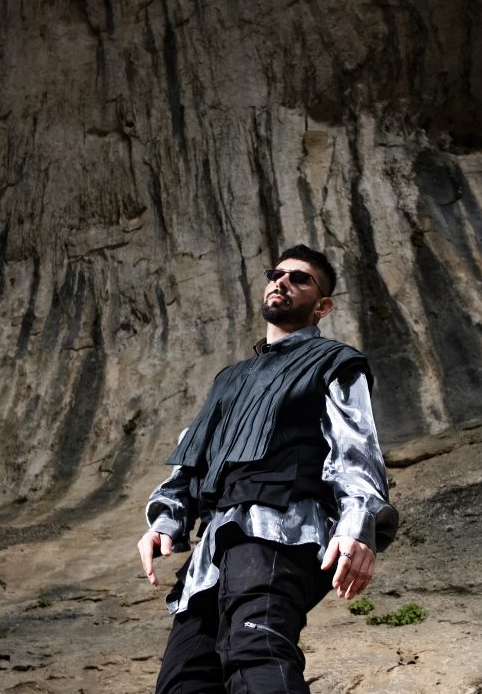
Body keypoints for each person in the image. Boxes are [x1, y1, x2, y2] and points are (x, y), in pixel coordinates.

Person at [137, 244, 398, 693]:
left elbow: (356, 448)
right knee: (183, 682)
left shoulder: (335, 361)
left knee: (256, 653)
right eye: (276, 274)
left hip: (281, 530)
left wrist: (357, 524)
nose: (282, 281)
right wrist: (165, 520)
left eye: (299, 278)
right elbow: (193, 455)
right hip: (214, 549)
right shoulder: (229, 378)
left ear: (322, 306)